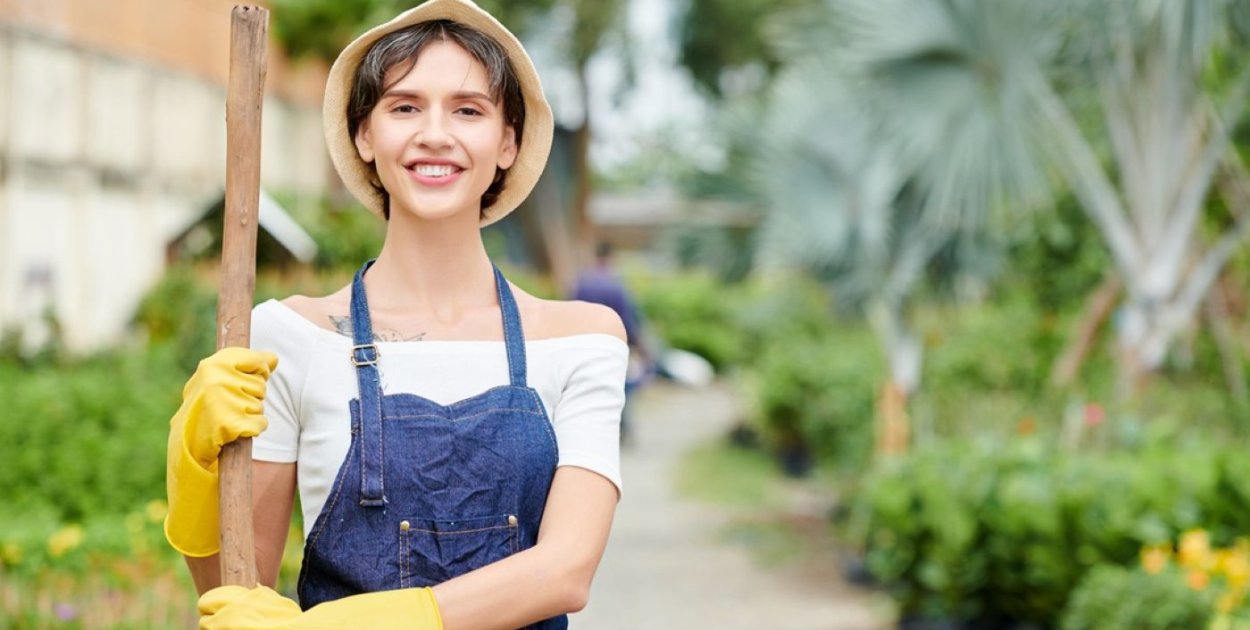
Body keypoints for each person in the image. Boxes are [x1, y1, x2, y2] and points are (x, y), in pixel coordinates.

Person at [163, 1, 627, 627]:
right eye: (404, 107)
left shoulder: (581, 339)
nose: (435, 134)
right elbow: (238, 588)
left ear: (508, 141)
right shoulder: (287, 337)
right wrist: (195, 472)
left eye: (468, 110)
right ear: (364, 135)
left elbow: (564, 572)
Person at [570, 243, 651, 446]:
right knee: (620, 388)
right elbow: (627, 319)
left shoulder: (582, 282)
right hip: (612, 345)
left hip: (584, 344)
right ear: (611, 258)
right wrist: (640, 345)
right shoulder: (617, 285)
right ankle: (622, 429)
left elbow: (570, 311)